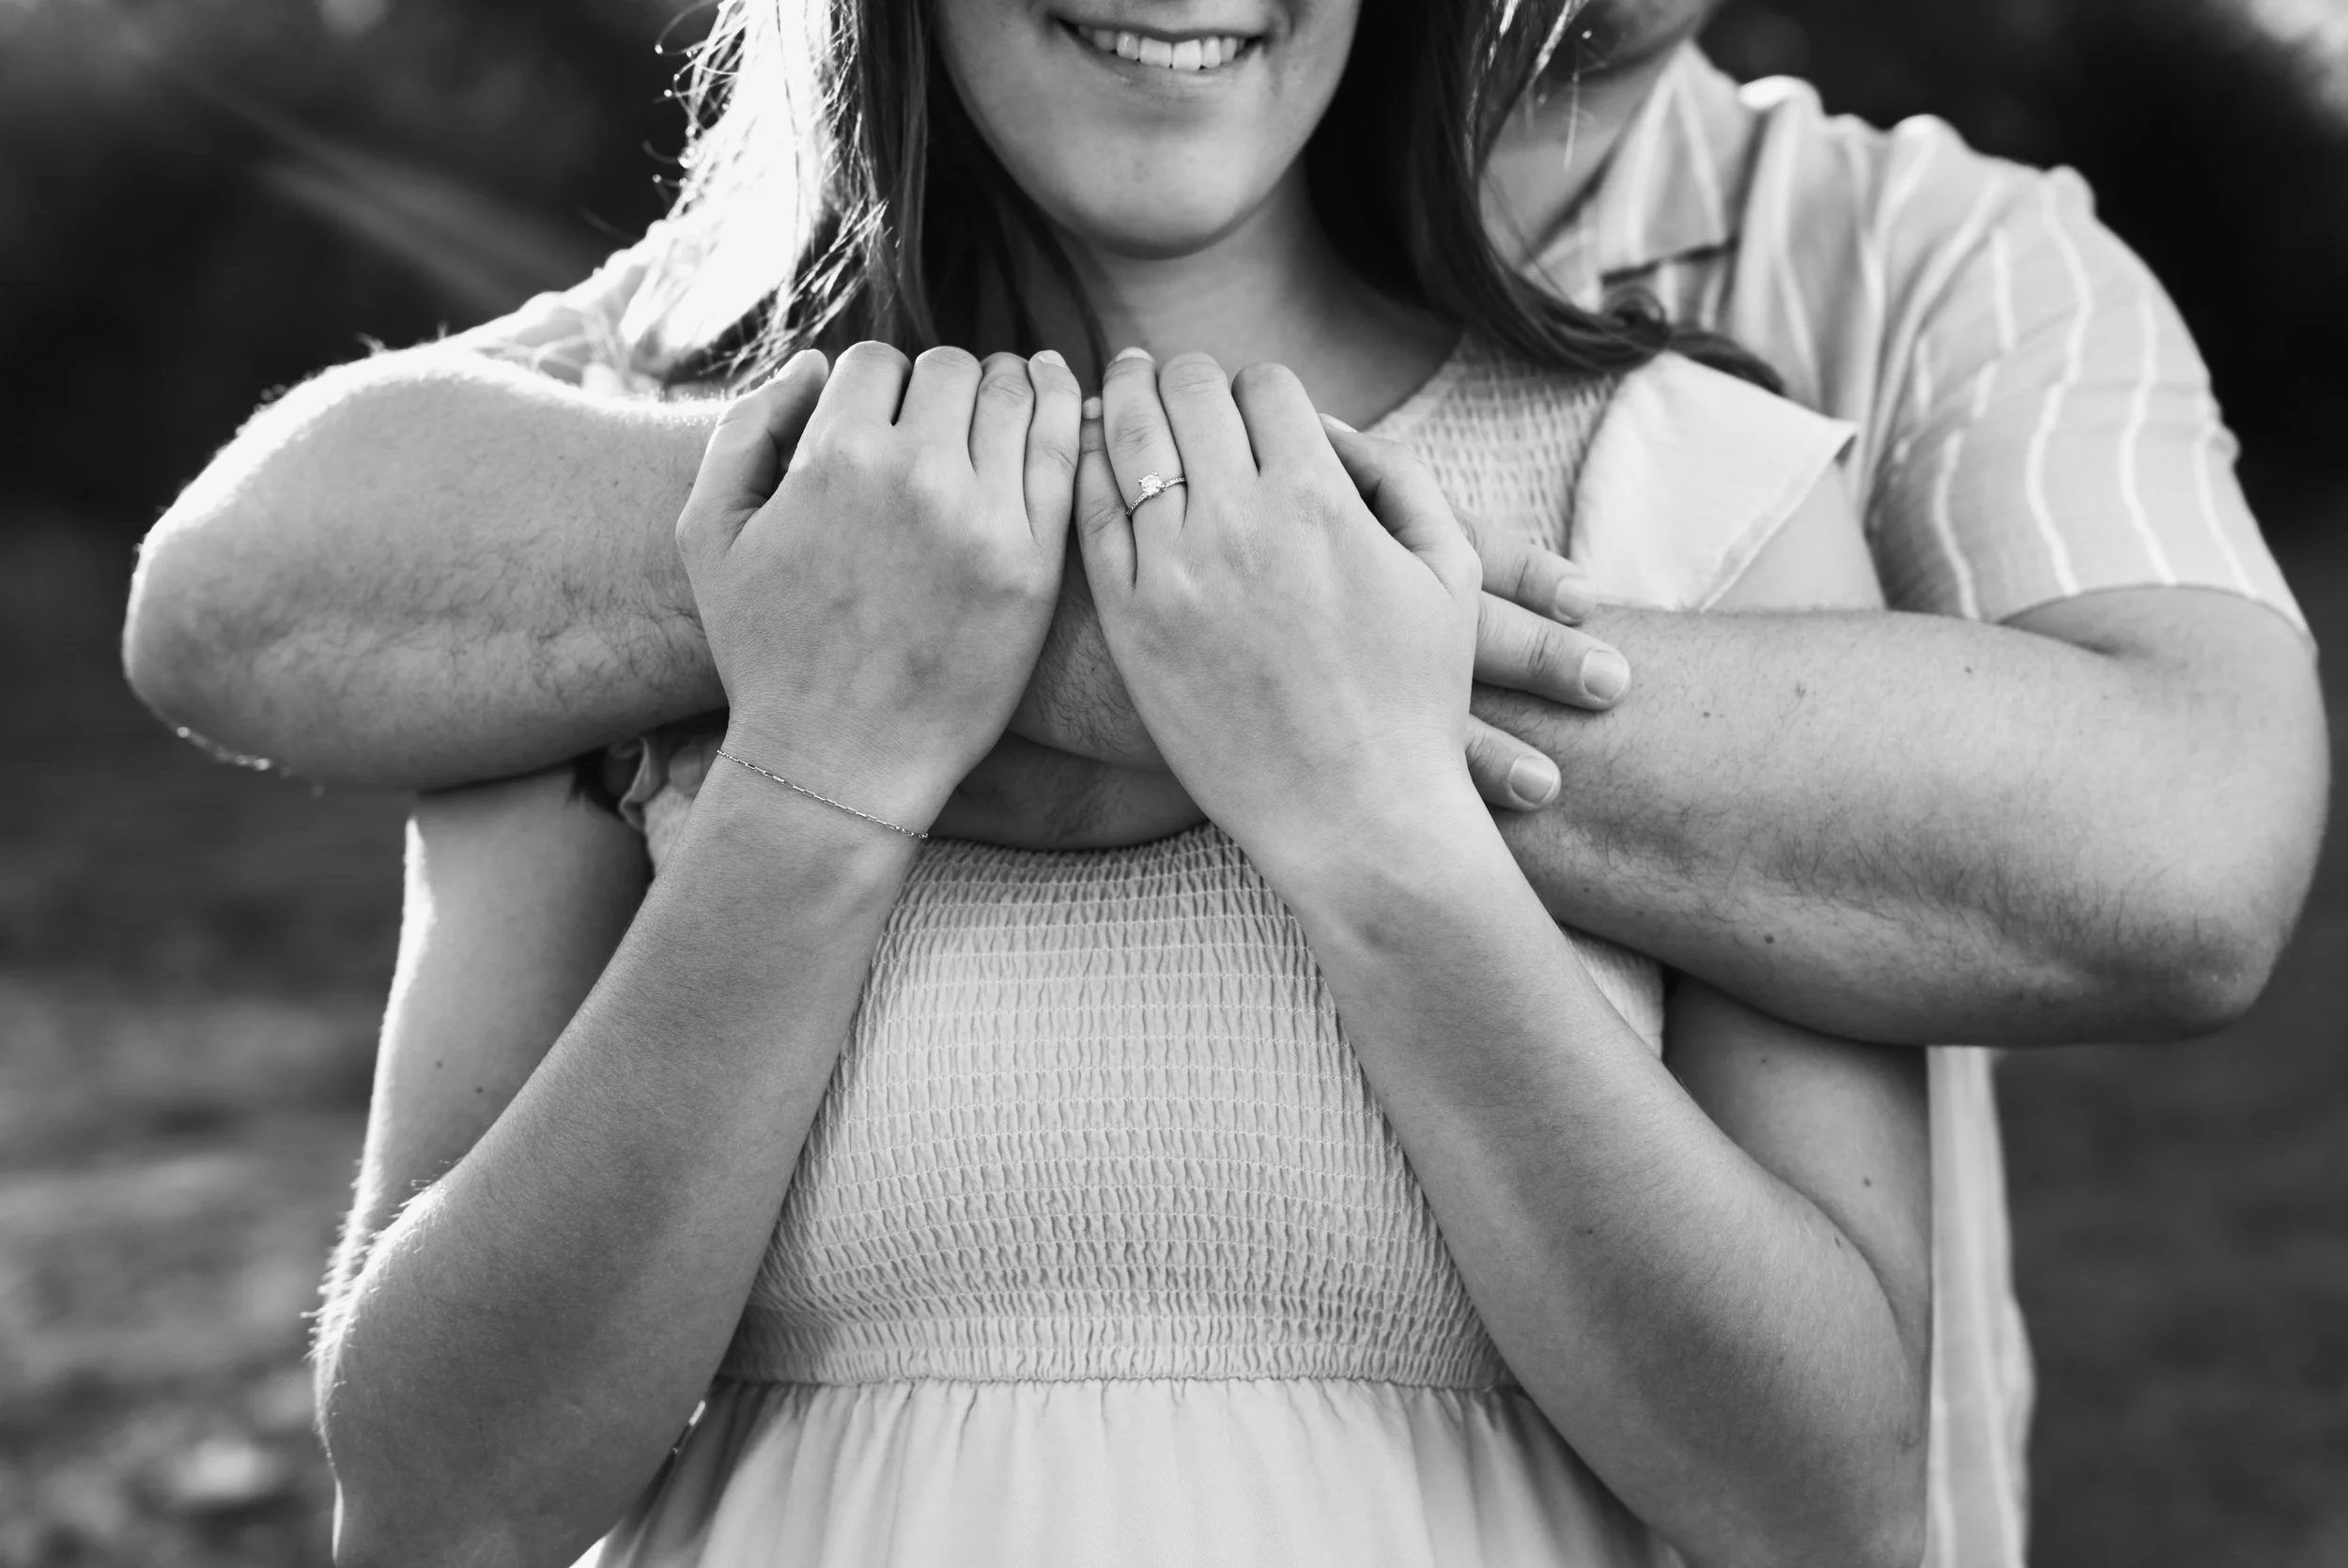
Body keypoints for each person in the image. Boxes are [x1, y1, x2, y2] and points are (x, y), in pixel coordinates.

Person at [120, 0, 2327, 1563]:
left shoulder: (1700, 483)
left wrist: (1375, 822)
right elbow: (431, 1498)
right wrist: (813, 785)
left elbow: (1825, 1502)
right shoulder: (695, 523)